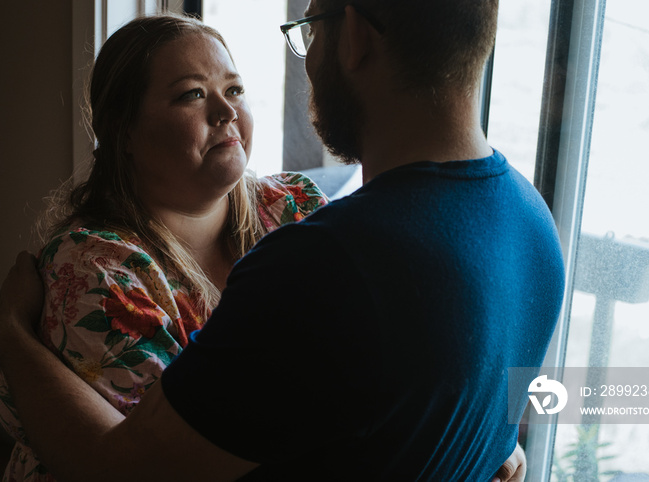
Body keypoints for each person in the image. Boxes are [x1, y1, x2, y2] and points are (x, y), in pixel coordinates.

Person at [0, 0, 565, 481]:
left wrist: (10, 332)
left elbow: (120, 468)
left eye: (312, 29)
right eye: (191, 94)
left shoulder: (321, 262)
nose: (225, 110)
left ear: (357, 39)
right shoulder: (531, 220)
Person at [0, 14, 328, 482]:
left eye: (233, 89)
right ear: (124, 132)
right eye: (192, 94)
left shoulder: (298, 207)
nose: (226, 111)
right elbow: (155, 467)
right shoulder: (94, 271)